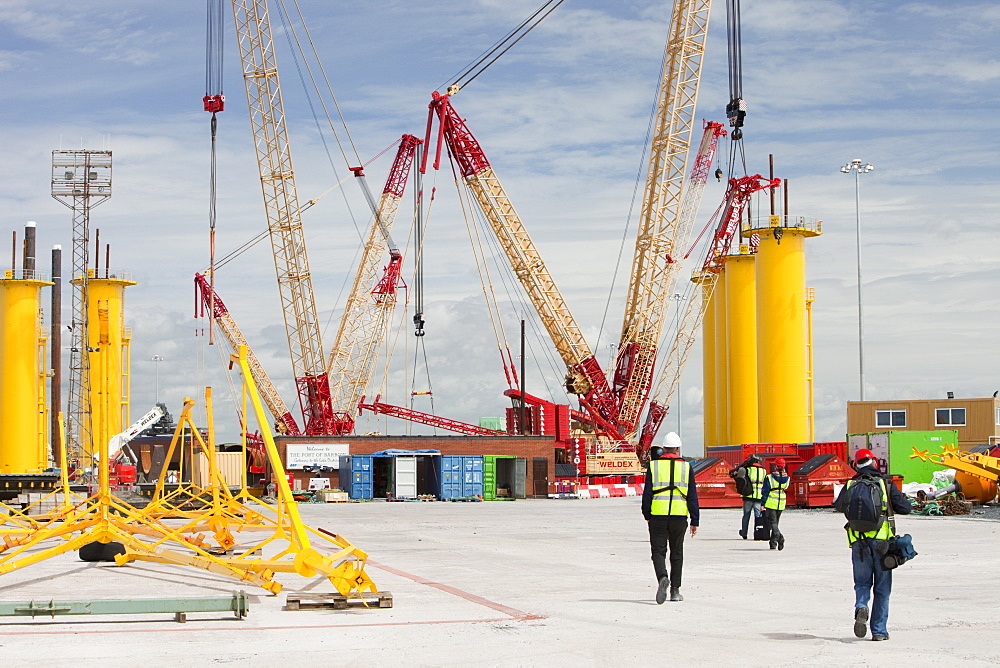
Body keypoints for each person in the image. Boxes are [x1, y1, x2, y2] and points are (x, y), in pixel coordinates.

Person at [834, 448, 912, 641]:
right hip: (882, 543)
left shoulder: (851, 483)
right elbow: (906, 508)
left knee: (862, 583)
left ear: (856, 465)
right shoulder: (885, 483)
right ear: (874, 462)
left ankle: (861, 606)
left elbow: (838, 506)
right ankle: (878, 631)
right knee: (882, 588)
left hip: (858, 543)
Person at [641, 432, 699, 604]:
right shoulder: (687, 467)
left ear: (664, 448)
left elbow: (647, 494)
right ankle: (675, 590)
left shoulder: (654, 466)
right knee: (677, 553)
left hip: (657, 515)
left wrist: (647, 515)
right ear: (678, 449)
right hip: (679, 516)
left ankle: (662, 578)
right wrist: (695, 520)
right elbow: (692, 496)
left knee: (658, 552)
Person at [732, 454, 767, 539]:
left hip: (748, 496)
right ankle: (758, 532)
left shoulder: (747, 469)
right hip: (759, 496)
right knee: (758, 516)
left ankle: (744, 532)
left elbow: (739, 478)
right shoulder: (764, 471)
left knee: (746, 515)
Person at [760, 458, 790, 550]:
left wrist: (763, 503)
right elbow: (787, 487)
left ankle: (780, 538)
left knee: (772, 523)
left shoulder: (769, 477)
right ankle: (773, 544)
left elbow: (765, 491)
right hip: (781, 503)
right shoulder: (787, 478)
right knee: (776, 523)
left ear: (775, 466)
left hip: (771, 502)